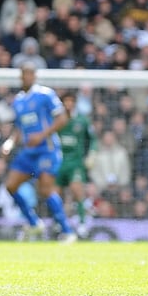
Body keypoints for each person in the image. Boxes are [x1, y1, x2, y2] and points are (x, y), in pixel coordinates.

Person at [0, 63, 77, 242]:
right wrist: (9, 143)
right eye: (23, 74)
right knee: (10, 186)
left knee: (45, 189)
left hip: (47, 149)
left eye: (29, 74)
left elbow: (63, 118)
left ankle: (67, 231)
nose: (26, 77)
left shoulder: (45, 95)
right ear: (21, 76)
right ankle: (34, 223)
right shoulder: (18, 100)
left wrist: (42, 135)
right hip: (29, 151)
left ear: (34, 76)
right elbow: (19, 128)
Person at [56, 90, 95, 229]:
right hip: (59, 162)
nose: (69, 104)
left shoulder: (82, 120)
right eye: (66, 101)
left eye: (71, 101)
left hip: (75, 163)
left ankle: (82, 223)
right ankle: (58, 223)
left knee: (77, 190)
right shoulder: (56, 120)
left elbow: (93, 139)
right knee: (56, 194)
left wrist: (92, 154)